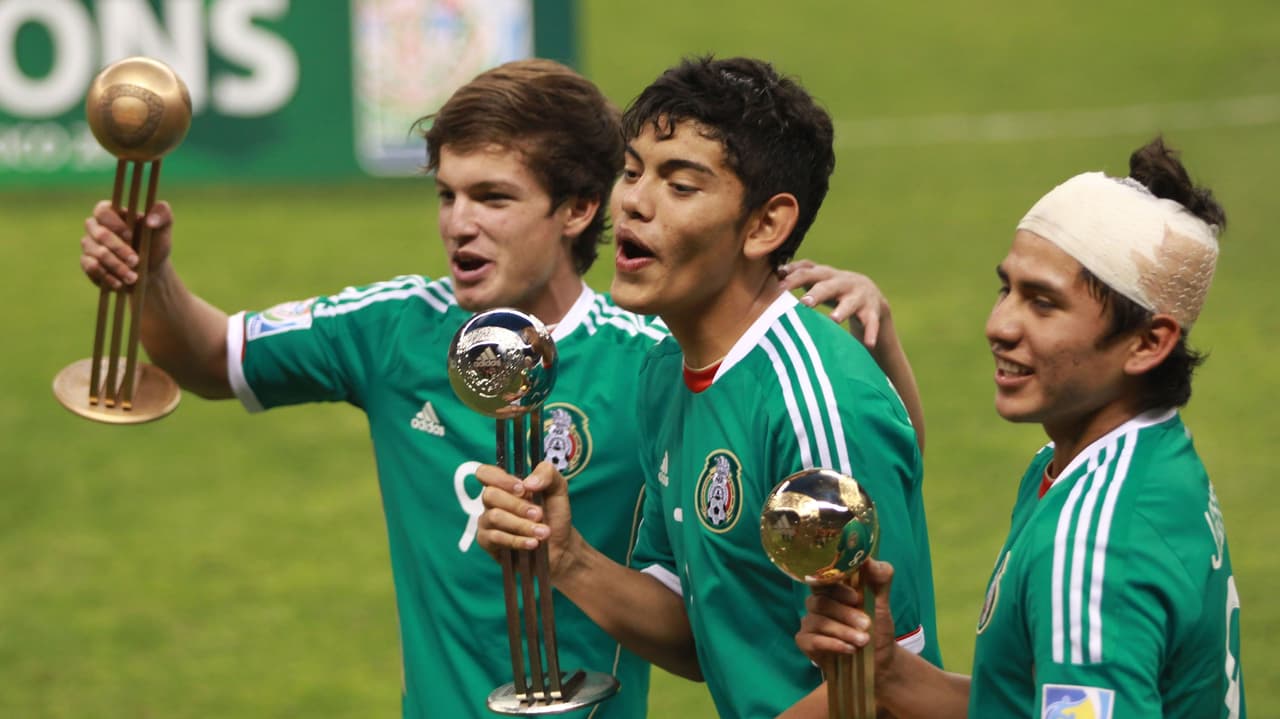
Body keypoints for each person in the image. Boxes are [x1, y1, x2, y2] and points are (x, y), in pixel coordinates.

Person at [78, 59, 919, 718]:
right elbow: (214, 357)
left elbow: (819, 612)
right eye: (446, 195)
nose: (458, 222)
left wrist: (871, 353)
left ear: (575, 209)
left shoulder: (650, 360)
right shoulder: (400, 327)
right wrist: (152, 275)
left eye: (492, 197)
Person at [475, 56, 941, 719]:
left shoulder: (814, 403)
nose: (633, 201)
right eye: (632, 172)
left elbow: (890, 688)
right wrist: (567, 556)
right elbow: (705, 632)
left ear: (765, 227)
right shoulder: (665, 372)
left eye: (681, 185)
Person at [795, 137, 1246, 718]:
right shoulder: (1138, 462)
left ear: (1148, 342)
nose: (998, 325)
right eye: (1007, 288)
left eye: (1043, 303)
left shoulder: (1093, 547)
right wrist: (890, 675)